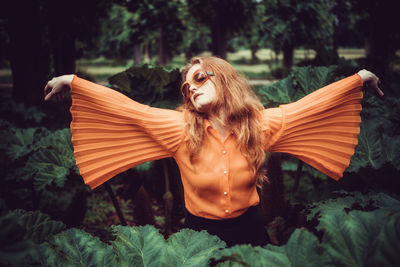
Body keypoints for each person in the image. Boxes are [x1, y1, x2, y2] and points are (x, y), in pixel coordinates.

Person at [44, 56, 383, 247]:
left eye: (200, 78)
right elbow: (130, 110)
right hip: (199, 234)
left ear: (224, 80)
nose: (191, 88)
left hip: (250, 230)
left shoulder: (259, 127)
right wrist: (75, 82)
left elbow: (307, 108)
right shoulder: (179, 129)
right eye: (186, 86)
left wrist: (357, 79)